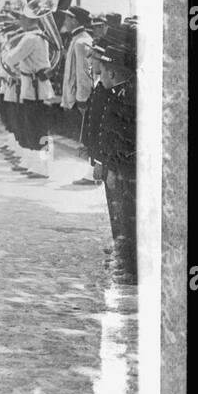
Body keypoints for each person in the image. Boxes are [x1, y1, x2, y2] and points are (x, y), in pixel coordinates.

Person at [80, 22, 137, 278]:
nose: (95, 64)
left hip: (123, 165)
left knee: (127, 215)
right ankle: (122, 255)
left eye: (99, 61)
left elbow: (120, 132)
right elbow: (100, 123)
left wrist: (105, 160)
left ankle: (129, 264)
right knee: (119, 213)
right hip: (114, 162)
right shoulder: (112, 90)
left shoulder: (123, 94)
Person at [3, 4, 56, 173]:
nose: (20, 21)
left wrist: (5, 50)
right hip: (37, 89)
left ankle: (43, 168)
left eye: (22, 18)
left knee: (36, 129)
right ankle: (39, 165)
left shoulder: (30, 38)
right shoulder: (40, 36)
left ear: (28, 19)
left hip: (34, 91)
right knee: (38, 129)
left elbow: (11, 59)